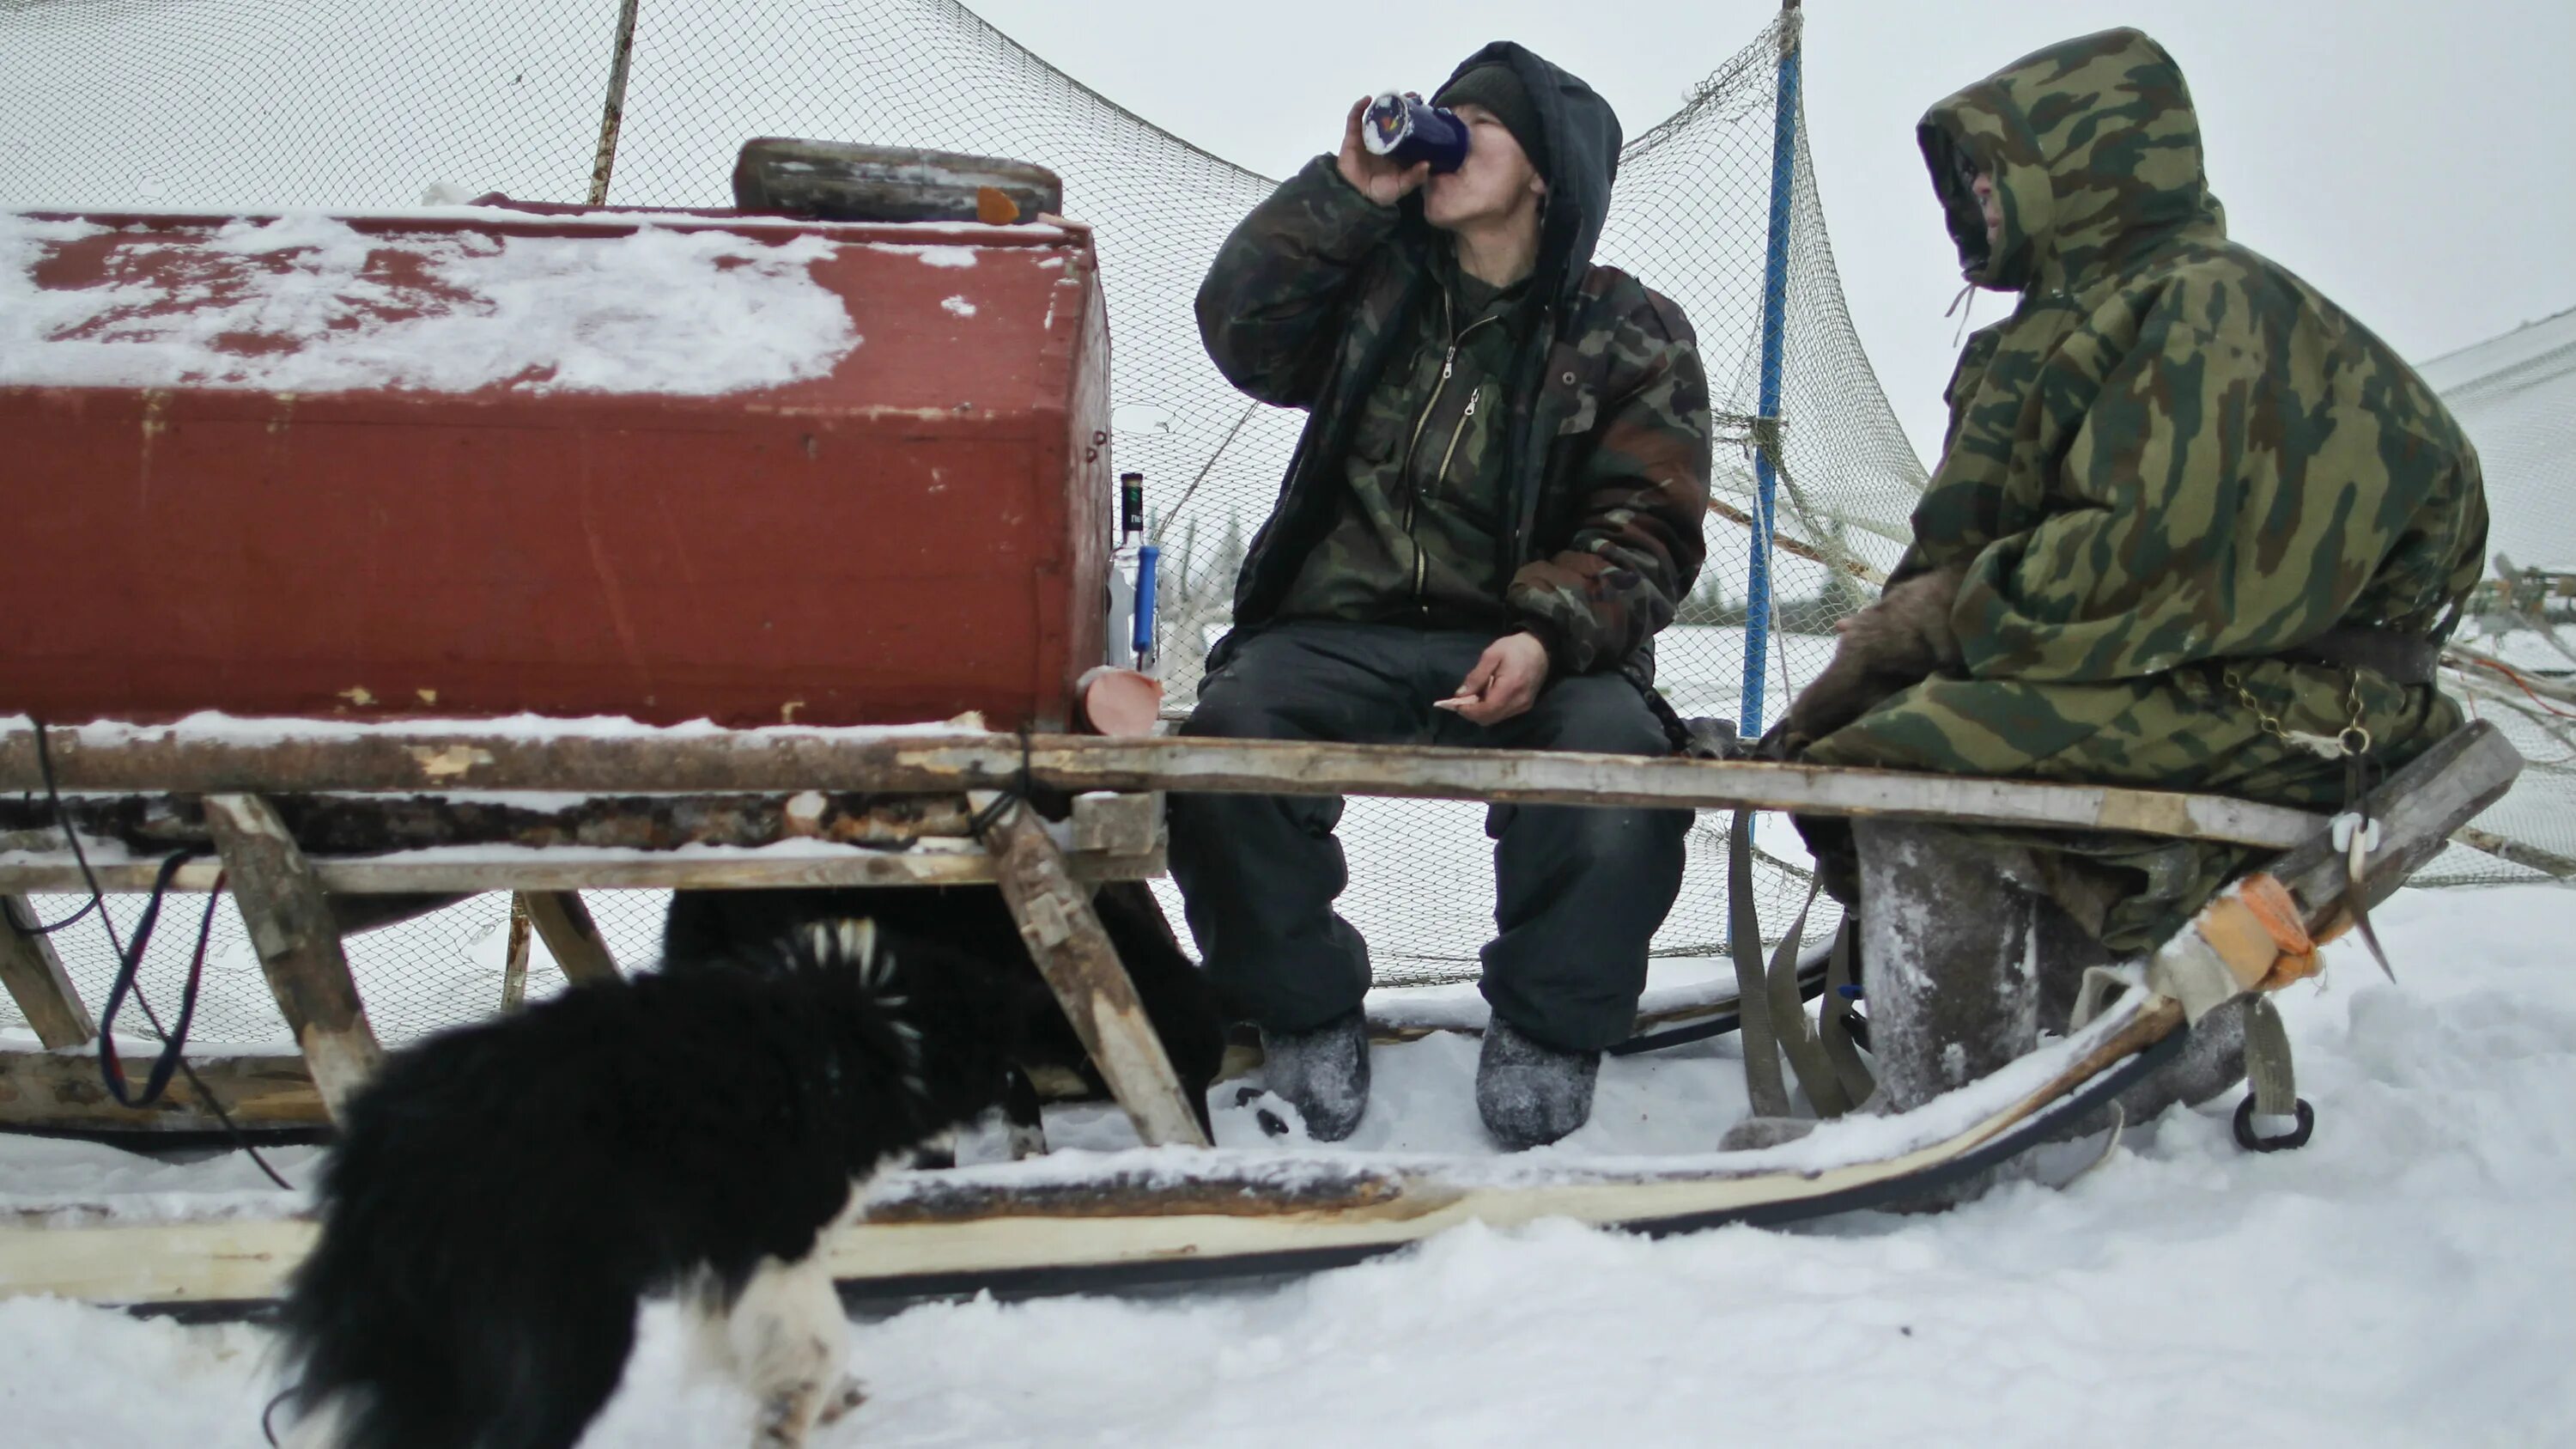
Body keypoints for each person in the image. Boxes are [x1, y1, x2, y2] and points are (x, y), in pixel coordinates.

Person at [1777, 28, 2488, 1137]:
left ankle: (1950, 1103)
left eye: (1991, 170)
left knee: (1914, 753)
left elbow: (2139, 567)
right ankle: (2100, 1043)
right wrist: (1857, 671)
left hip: (2307, 703)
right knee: (1874, 732)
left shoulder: (2208, 307)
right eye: (1964, 177)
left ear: (2083, 162)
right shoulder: (2069, 325)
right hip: (2179, 679)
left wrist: (1932, 628)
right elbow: (1963, 542)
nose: (1976, 197)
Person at [1172, 44, 1715, 1149]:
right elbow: (1242, 330)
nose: (1449, 135)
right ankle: (1302, 1010)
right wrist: (1345, 195)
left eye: (1481, 123)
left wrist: (1547, 634)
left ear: (1548, 172)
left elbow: (1648, 524)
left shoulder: (1629, 330)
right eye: (1445, 114)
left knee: (1618, 761)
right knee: (1226, 741)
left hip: (1525, 637)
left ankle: (1551, 1026)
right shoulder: (1378, 284)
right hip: (1340, 632)